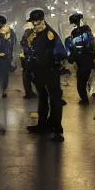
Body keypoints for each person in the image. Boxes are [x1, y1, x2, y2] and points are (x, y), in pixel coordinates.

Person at [23, 9, 67, 142]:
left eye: (34, 23)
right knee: (42, 99)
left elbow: (61, 52)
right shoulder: (34, 35)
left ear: (40, 21)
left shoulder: (50, 34)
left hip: (50, 72)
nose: (33, 25)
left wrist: (52, 61)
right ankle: (42, 125)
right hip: (39, 72)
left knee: (55, 99)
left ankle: (57, 129)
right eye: (32, 23)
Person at [67, 13, 95, 105]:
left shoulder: (78, 32)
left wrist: (72, 57)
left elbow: (74, 47)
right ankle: (86, 98)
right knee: (84, 81)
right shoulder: (86, 31)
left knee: (81, 82)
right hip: (86, 60)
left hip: (84, 60)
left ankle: (85, 100)